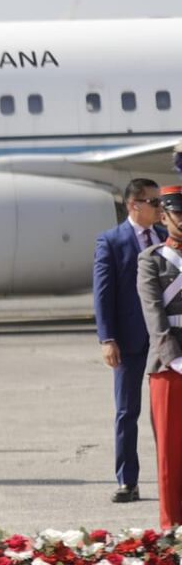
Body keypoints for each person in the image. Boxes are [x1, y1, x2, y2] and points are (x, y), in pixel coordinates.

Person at [95, 177, 165, 503]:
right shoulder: (111, 241)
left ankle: (171, 481)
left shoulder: (167, 237)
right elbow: (103, 294)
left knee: (169, 412)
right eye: (154, 202)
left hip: (166, 338)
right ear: (134, 204)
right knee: (127, 411)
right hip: (129, 339)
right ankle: (128, 481)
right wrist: (107, 338)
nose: (160, 208)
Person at [136, 184, 182, 528]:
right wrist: (175, 359)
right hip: (168, 365)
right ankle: (172, 525)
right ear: (164, 217)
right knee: (170, 449)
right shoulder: (151, 260)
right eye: (178, 213)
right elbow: (154, 314)